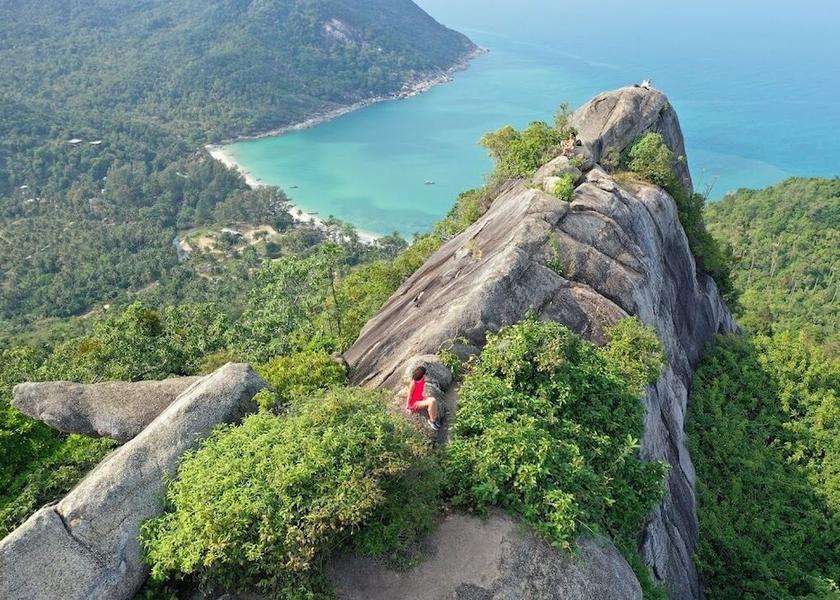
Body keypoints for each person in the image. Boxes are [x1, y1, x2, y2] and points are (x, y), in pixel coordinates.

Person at [406, 366, 441, 431]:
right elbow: (409, 395)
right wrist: (408, 407)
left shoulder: (422, 379)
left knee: (434, 400)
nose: (426, 375)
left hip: (420, 399)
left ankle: (434, 419)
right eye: (425, 373)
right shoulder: (413, 383)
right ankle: (431, 421)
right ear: (421, 375)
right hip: (414, 403)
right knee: (432, 401)